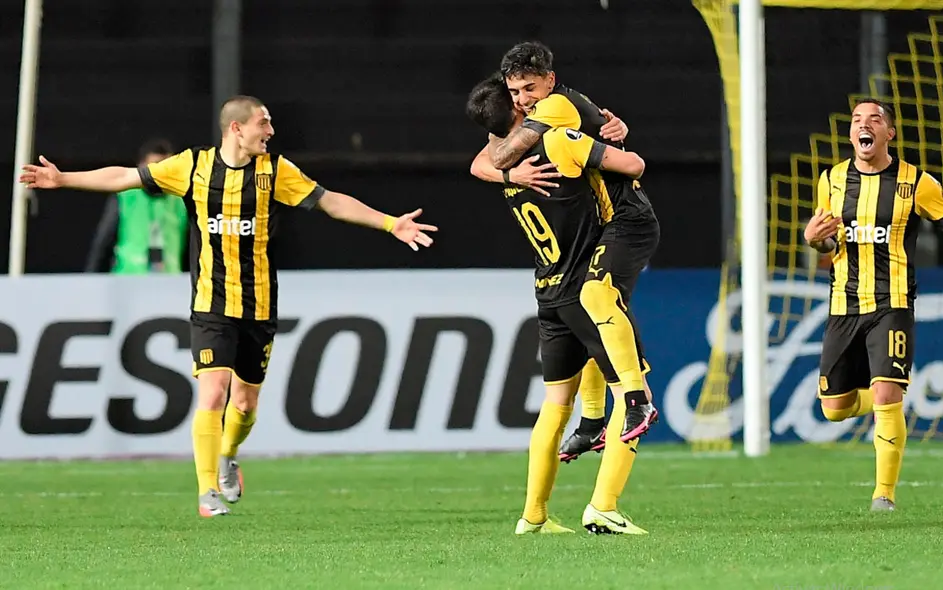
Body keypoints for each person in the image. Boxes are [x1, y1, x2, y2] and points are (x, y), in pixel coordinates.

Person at [20, 95, 438, 518]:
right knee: (213, 392)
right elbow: (126, 177)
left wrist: (390, 222)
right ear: (236, 128)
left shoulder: (276, 172)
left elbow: (331, 201)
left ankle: (227, 455)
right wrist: (64, 179)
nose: (271, 132)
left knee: (244, 404)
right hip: (210, 304)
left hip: (258, 305)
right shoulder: (191, 167)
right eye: (264, 123)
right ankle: (206, 493)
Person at [467, 75, 649, 535]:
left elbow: (482, 162)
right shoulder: (557, 142)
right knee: (632, 391)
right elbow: (630, 166)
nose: (527, 100)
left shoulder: (501, 165)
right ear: (521, 115)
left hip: (547, 291)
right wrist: (611, 132)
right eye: (517, 97)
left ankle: (533, 516)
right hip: (581, 287)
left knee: (554, 405)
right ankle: (604, 506)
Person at [804, 98, 943, 512]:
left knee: (886, 395)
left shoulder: (916, 182)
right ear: (851, 133)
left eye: (874, 119)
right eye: (856, 120)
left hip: (894, 303)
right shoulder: (831, 180)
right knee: (834, 409)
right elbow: (828, 250)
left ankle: (883, 495)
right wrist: (815, 239)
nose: (863, 125)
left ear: (890, 133)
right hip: (844, 304)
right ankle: (888, 399)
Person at [85, 139, 189, 274]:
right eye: (155, 167)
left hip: (170, 283)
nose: (162, 175)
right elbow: (103, 243)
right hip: (128, 281)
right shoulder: (125, 197)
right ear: (141, 167)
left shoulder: (181, 201)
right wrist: (90, 281)